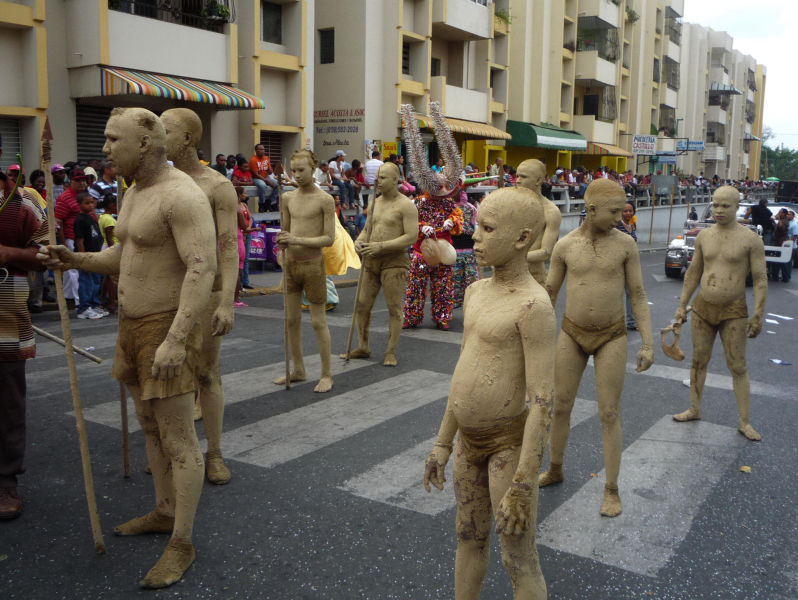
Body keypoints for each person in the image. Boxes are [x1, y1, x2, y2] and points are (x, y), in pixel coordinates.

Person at [40, 107, 218, 588]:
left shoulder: (183, 196)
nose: (104, 149)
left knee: (179, 438)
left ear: (144, 143)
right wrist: (74, 257)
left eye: (112, 139)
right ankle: (163, 510)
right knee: (149, 427)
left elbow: (203, 268)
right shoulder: (136, 192)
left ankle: (182, 543)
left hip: (165, 328)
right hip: (132, 327)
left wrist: (178, 339)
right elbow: (127, 253)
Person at [423, 187, 554, 599]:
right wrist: (443, 443)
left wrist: (523, 482)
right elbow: (463, 371)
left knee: (517, 555)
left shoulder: (534, 306)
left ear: (521, 239)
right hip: (468, 442)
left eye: (486, 228)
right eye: (477, 226)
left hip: (507, 447)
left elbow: (541, 402)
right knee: (468, 536)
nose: (474, 236)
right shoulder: (476, 292)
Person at [540, 179, 654, 517]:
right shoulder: (565, 246)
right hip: (571, 333)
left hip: (612, 336)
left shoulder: (625, 246)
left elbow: (638, 296)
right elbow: (548, 295)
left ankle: (611, 488)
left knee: (609, 412)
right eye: (615, 211)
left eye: (622, 210)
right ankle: (555, 467)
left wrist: (647, 342)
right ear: (590, 210)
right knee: (560, 406)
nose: (621, 217)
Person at [161, 108, 240, 485]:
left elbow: (227, 248)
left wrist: (225, 300)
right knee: (166, 376)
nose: (158, 137)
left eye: (167, 130)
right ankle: (175, 452)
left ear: (188, 139)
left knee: (207, 374)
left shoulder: (217, 185)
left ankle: (214, 453)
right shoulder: (155, 183)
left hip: (206, 292)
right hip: (164, 295)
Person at [671, 186, 767, 441]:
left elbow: (759, 279)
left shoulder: (750, 239)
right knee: (698, 360)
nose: (719, 210)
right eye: (715, 205)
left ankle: (744, 421)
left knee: (737, 365)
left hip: (734, 309)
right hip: (703, 306)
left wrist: (758, 312)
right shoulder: (704, 236)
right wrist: (682, 304)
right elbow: (693, 273)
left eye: (725, 205)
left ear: (738, 206)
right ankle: (694, 408)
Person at [0, 163, 49, 520]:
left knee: (7, 404)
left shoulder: (23, 205)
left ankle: (5, 481)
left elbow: (46, 255)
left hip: (5, 322)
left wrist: (8, 254)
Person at [344, 163, 418, 366]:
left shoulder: (406, 205)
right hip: (371, 260)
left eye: (383, 178)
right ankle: (363, 346)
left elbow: (412, 236)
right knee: (361, 304)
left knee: (394, 308)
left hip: (395, 261)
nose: (378, 181)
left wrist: (382, 246)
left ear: (396, 180)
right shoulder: (374, 201)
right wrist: (358, 241)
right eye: (377, 177)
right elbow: (368, 228)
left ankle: (390, 351)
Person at [274, 149, 336, 393]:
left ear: (314, 169)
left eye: (302, 170)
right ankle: (298, 368)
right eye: (294, 170)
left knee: (318, 321)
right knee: (291, 320)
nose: (297, 175)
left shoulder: (324, 200)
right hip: (291, 265)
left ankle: (327, 374)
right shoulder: (288, 198)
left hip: (312, 264)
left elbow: (328, 238)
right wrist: (281, 248)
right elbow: (285, 233)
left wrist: (296, 239)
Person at [517, 159, 562, 286]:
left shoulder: (551, 211)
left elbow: (545, 252)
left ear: (538, 180)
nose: (518, 180)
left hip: (534, 279)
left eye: (523, 177)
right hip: (506, 278)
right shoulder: (511, 206)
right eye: (517, 176)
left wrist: (511, 258)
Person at [54, 166, 89, 307]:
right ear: (71, 182)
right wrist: (63, 243)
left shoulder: (85, 194)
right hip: (71, 237)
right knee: (72, 270)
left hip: (85, 238)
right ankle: (77, 301)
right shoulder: (65, 197)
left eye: (84, 180)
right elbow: (59, 222)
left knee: (78, 270)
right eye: (78, 180)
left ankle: (71, 299)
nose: (82, 183)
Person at [73, 191, 107, 320]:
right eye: (87, 203)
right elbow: (80, 240)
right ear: (79, 204)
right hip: (87, 256)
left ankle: (94, 305)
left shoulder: (91, 217)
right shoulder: (80, 220)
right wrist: (83, 258)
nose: (91, 205)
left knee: (96, 281)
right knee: (87, 282)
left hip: (95, 254)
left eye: (92, 202)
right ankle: (84, 308)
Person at [451, 190, 479, 308]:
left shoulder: (470, 208)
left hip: (467, 247)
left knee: (468, 276)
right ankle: (465, 300)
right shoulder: (450, 208)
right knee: (458, 276)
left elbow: (476, 226)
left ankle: (470, 300)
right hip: (456, 247)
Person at [617, 202, 638, 329]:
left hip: (630, 265)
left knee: (630, 294)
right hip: (618, 265)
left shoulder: (632, 225)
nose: (628, 213)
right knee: (615, 294)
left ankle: (631, 322)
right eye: (625, 211)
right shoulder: (616, 226)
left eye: (630, 211)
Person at [249, 144, 279, 212]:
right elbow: (256, 174)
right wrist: (267, 181)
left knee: (278, 184)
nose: (263, 151)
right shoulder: (253, 160)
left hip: (266, 177)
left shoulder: (266, 158)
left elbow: (270, 171)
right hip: (257, 178)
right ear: (256, 151)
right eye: (261, 149)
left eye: (264, 149)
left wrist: (270, 171)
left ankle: (269, 201)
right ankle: (261, 204)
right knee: (263, 185)